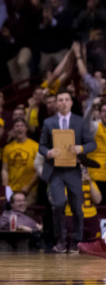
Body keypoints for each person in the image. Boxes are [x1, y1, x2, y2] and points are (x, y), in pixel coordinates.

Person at [39, 90, 96, 253]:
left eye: (66, 99)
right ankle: (61, 239)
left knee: (77, 207)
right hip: (55, 170)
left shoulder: (80, 122)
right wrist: (48, 152)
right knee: (58, 204)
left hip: (73, 169)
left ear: (71, 102)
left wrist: (81, 148)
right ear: (56, 103)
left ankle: (76, 240)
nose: (63, 102)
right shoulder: (49, 122)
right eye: (60, 100)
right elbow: (41, 146)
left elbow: (92, 144)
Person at [1, 118, 39, 204]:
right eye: (17, 126)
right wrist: (6, 189)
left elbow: (39, 170)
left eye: (22, 126)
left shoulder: (36, 146)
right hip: (11, 190)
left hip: (29, 191)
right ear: (13, 129)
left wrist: (28, 187)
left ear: (26, 129)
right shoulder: (7, 148)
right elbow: (4, 170)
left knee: (26, 215)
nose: (19, 128)